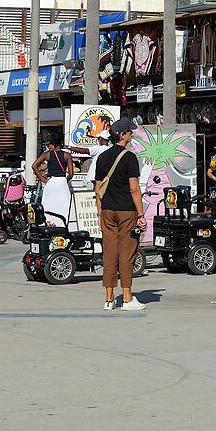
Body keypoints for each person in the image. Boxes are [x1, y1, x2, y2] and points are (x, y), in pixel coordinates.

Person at [91, 125, 145, 314]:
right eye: (129, 132)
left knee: (110, 252)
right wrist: (141, 214)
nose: (131, 134)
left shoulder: (102, 157)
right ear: (122, 135)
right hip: (126, 210)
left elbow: (97, 189)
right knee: (127, 252)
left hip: (107, 210)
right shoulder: (129, 157)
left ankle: (109, 298)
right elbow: (134, 188)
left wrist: (100, 213)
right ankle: (128, 297)